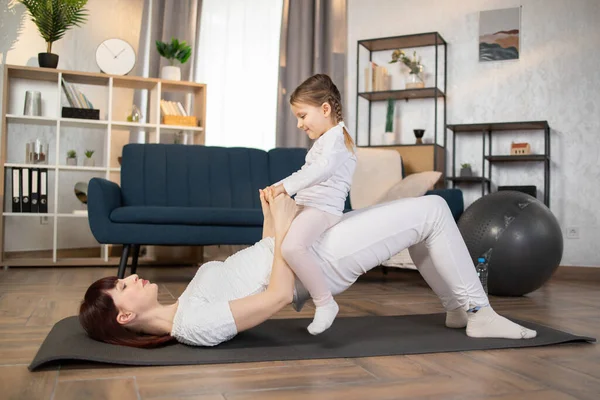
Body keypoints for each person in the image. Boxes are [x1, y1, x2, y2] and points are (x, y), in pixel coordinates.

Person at [79, 190, 537, 349]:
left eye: (122, 277)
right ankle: (478, 312)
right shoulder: (194, 324)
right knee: (434, 210)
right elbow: (278, 296)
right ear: (123, 316)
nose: (130, 278)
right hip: (316, 263)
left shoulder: (186, 302)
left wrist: (270, 218)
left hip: (303, 247)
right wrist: (284, 225)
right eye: (121, 286)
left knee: (421, 223)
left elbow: (256, 262)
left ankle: (457, 307)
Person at [265, 74, 357, 335]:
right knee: (277, 243)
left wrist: (283, 187)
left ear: (325, 109)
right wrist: (278, 187)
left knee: (292, 247)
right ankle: (299, 290)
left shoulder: (337, 140)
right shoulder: (329, 139)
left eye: (302, 116)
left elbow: (319, 171)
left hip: (322, 211)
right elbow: (308, 172)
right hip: (310, 206)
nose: (298, 124)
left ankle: (326, 303)